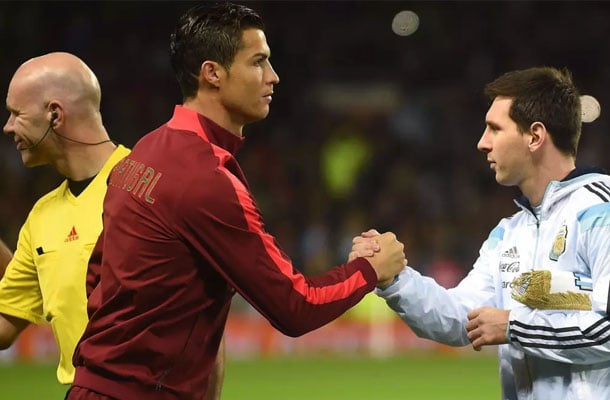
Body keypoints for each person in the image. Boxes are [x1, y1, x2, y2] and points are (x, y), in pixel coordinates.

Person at [67, 3, 406, 400]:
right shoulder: (204, 179)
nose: (273, 77)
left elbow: (98, 278)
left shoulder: (141, 154)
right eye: (258, 62)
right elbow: (296, 305)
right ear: (213, 73)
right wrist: (370, 269)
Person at [356, 67, 610, 399]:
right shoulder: (509, 234)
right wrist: (395, 279)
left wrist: (514, 327)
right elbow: (463, 318)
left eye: (494, 129)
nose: (482, 143)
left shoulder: (607, 213)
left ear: (535, 136)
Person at [0, 52, 130, 385]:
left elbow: (204, 316)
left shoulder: (147, 187)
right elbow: (4, 326)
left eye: (16, 114)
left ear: (55, 114)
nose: (8, 127)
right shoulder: (41, 217)